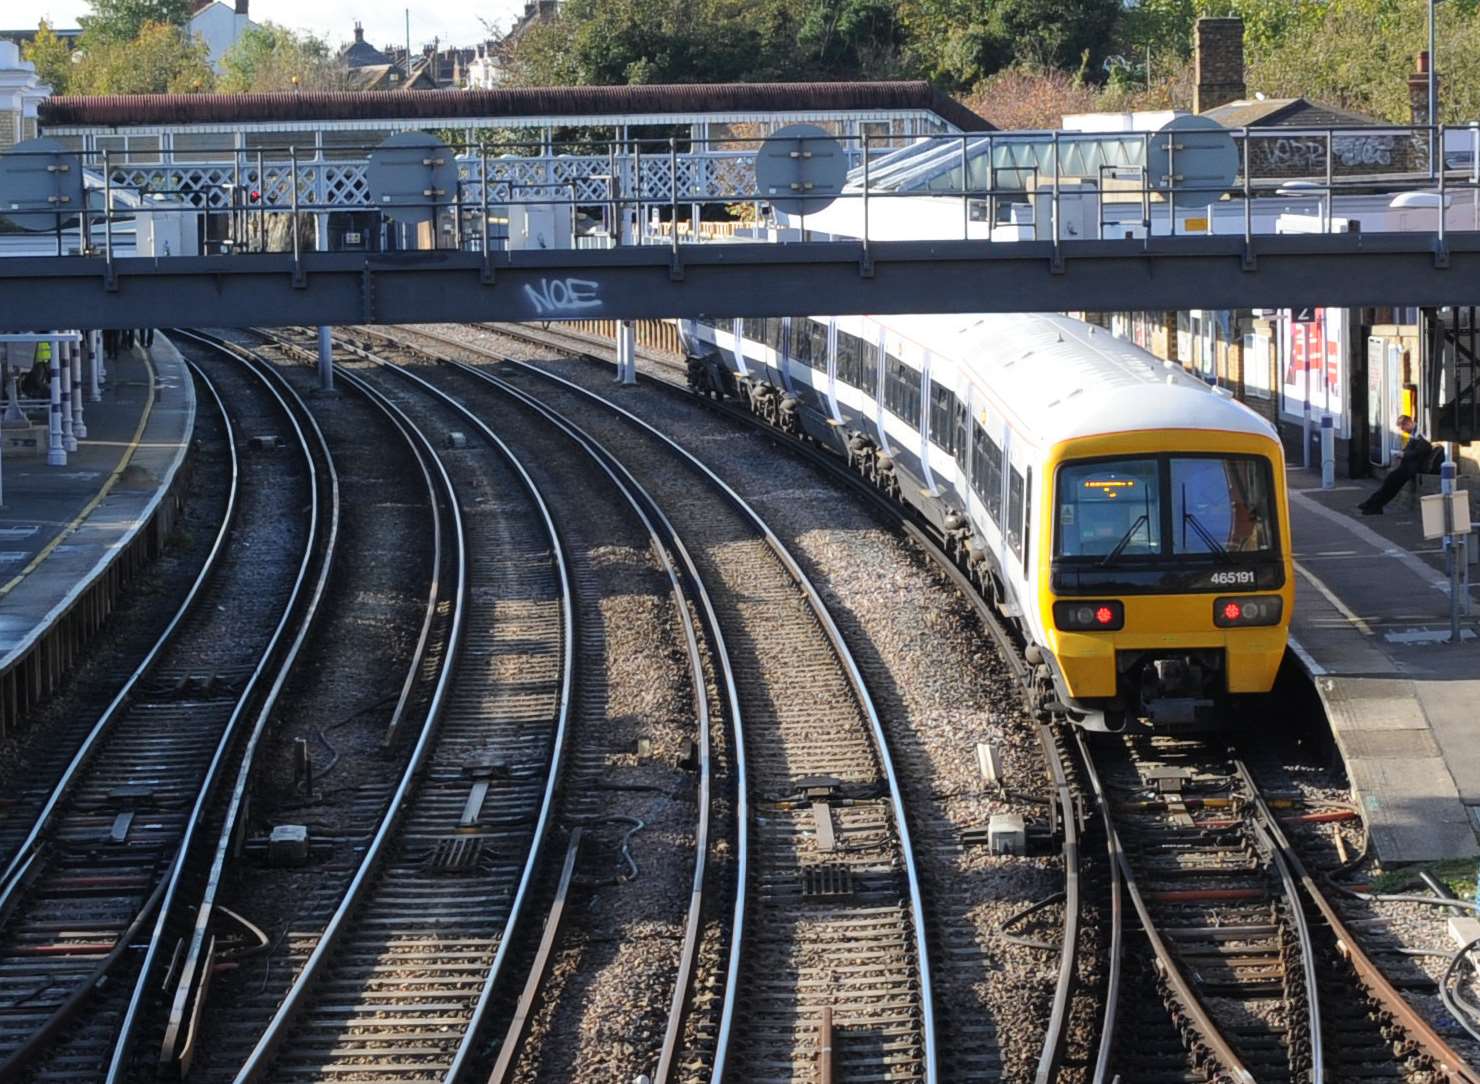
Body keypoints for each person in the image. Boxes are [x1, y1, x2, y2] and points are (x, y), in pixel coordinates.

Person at [1359, 415, 1436, 515]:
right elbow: (1410, 449)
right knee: (1389, 482)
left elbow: (1420, 450)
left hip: (1412, 468)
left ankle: (1375, 505)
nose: (1403, 431)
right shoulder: (1414, 434)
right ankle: (1372, 503)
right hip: (1407, 466)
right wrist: (1401, 453)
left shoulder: (1421, 434)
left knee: (1391, 484)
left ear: (1408, 423)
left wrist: (1404, 454)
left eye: (1403, 428)